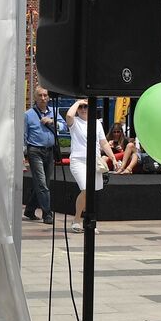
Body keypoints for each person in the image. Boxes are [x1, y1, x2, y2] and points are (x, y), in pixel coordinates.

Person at [65, 97, 117, 233]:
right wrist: (78, 102)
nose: (83, 109)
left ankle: (89, 221)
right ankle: (76, 220)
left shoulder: (97, 123)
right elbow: (69, 115)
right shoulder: (75, 122)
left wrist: (113, 158)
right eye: (81, 107)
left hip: (94, 161)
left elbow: (103, 142)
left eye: (86, 107)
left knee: (91, 193)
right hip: (78, 160)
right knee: (85, 188)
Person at [23, 85, 56, 225]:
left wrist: (52, 121)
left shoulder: (53, 112)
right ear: (35, 98)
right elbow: (23, 136)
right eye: (40, 96)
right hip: (35, 151)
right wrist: (22, 156)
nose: (43, 98)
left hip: (49, 151)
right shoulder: (28, 115)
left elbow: (65, 126)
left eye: (45, 95)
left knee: (44, 183)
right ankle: (47, 213)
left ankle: (30, 209)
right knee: (42, 183)